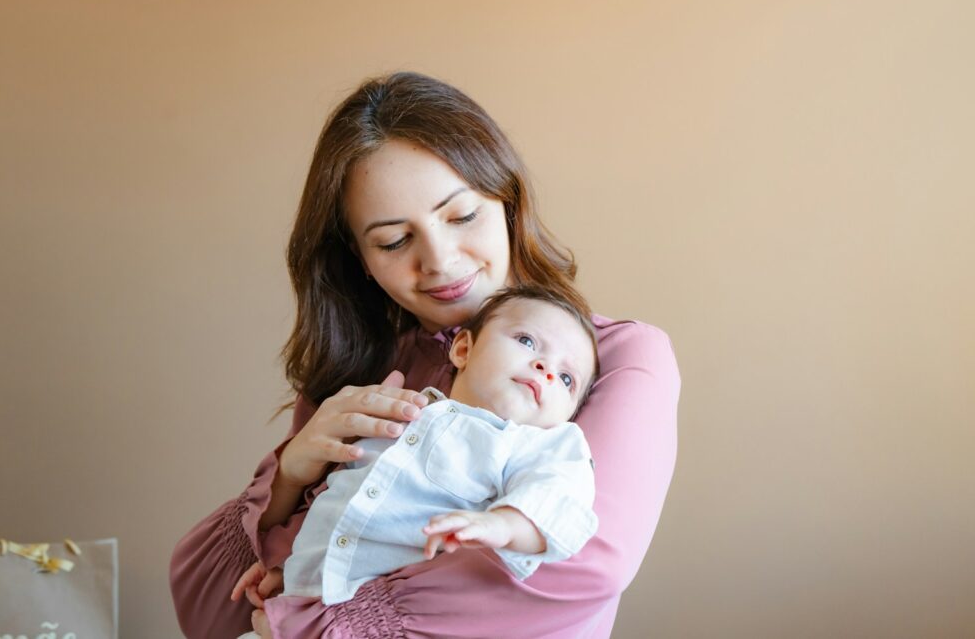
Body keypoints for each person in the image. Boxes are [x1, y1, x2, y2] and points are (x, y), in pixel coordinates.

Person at [169, 71, 681, 639]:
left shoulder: (619, 356)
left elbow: (580, 564)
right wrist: (291, 471)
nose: (438, 260)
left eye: (462, 216)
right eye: (393, 240)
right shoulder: (358, 377)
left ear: (506, 204)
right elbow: (213, 617)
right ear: (360, 258)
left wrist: (320, 625)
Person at [231, 286, 600, 624]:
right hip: (303, 602)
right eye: (526, 340)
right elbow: (337, 499)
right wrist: (289, 567)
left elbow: (562, 498)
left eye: (567, 378)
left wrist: (503, 525)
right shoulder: (403, 410)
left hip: (383, 622)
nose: (546, 370)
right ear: (463, 350)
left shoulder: (537, 446)